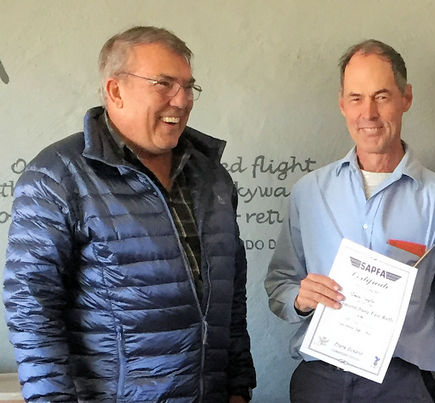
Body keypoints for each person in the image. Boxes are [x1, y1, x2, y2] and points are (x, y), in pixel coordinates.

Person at [3, 26, 256, 402]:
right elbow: (31, 307)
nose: (182, 100)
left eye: (188, 87)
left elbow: (231, 297)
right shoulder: (57, 176)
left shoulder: (212, 177)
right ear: (115, 91)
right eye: (164, 84)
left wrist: (238, 387)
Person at [266, 39, 435, 402]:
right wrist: (298, 299)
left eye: (381, 96)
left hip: (401, 386)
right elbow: (280, 283)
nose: (368, 113)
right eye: (356, 98)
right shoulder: (308, 193)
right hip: (319, 383)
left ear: (406, 98)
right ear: (342, 104)